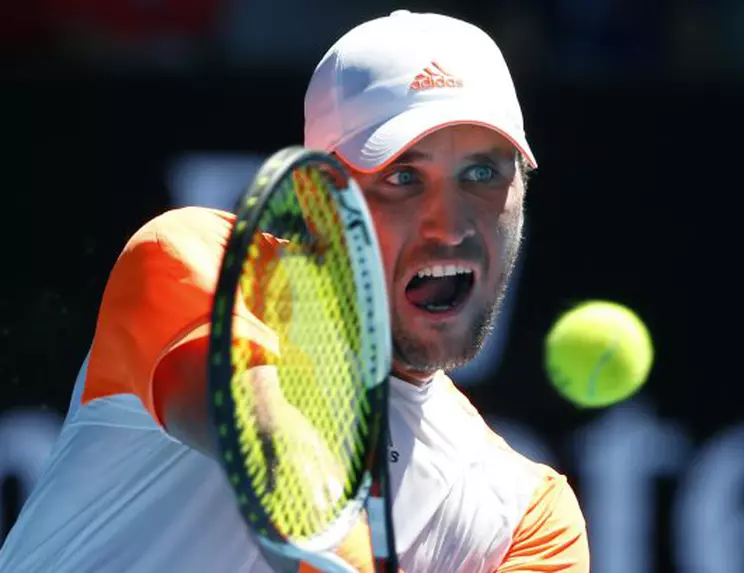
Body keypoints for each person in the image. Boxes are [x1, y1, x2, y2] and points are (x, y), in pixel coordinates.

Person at [0, 10, 589, 573]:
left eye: (483, 174)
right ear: (317, 199)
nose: (451, 224)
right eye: (403, 178)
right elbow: (267, 448)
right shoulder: (194, 260)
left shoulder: (531, 520)